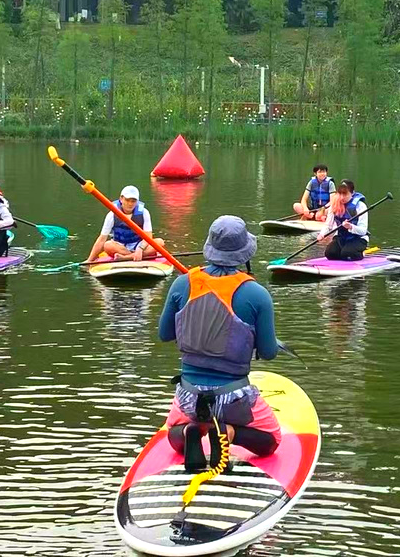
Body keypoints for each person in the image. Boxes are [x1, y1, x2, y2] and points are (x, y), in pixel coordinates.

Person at [158, 215, 281, 472]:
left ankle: (196, 428)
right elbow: (268, 353)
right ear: (244, 253)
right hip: (234, 397)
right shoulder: (258, 295)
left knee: (172, 433)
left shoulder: (182, 283)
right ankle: (228, 432)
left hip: (189, 394)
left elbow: (165, 334)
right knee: (271, 441)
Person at [86, 185, 165, 262]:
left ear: (137, 201)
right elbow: (101, 239)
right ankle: (138, 256)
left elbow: (148, 236)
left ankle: (126, 258)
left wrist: (140, 249)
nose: (130, 204)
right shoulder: (112, 214)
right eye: (127, 200)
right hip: (120, 247)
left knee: (160, 242)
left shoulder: (144, 212)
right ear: (121, 199)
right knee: (107, 246)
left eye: (133, 201)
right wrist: (90, 260)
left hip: (138, 245)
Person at [318, 179, 369, 261]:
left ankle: (361, 253)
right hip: (341, 237)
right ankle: (344, 251)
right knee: (330, 253)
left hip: (358, 238)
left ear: (352, 193)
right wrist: (322, 234)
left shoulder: (360, 206)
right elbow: (328, 225)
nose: (341, 197)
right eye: (340, 194)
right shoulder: (334, 206)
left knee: (347, 253)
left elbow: (363, 231)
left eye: (345, 194)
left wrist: (351, 227)